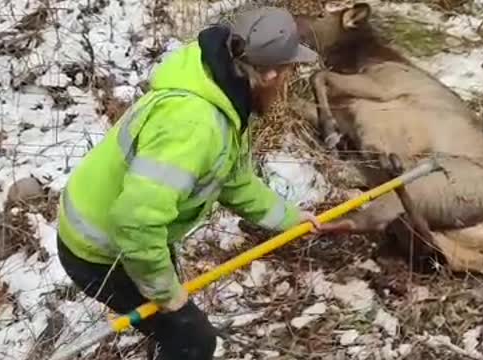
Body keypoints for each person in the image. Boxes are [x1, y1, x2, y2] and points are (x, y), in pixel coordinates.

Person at [55, 6, 321, 360]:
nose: (288, 82)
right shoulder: (195, 125)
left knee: (172, 318)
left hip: (127, 237)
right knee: (193, 340)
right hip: (98, 251)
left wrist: (289, 219)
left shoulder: (223, 89)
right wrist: (169, 297)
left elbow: (234, 181)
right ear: (270, 74)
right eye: (289, 73)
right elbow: (136, 223)